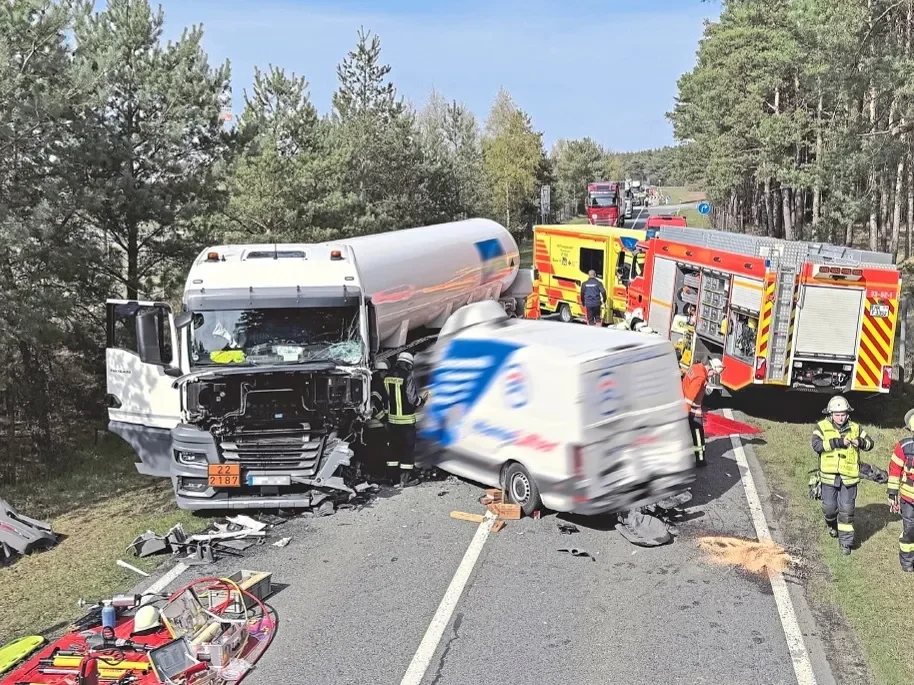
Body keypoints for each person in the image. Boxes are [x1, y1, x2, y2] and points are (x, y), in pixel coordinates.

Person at [811, 395, 874, 555]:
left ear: (848, 413)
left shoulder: (856, 428)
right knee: (829, 509)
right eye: (837, 414)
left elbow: (870, 443)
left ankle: (846, 543)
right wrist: (837, 442)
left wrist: (860, 442)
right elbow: (817, 445)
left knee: (846, 510)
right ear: (830, 414)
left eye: (843, 414)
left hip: (849, 478)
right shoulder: (821, 427)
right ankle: (831, 525)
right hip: (828, 478)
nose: (840, 418)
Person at [384, 352, 428, 488]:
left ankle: (392, 479)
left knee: (393, 450)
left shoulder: (387, 377)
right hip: (406, 421)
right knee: (407, 451)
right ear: (409, 365)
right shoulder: (408, 376)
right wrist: (423, 400)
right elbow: (412, 400)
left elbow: (387, 398)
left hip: (392, 421)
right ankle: (405, 480)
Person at [681, 357, 724, 468]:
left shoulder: (696, 367)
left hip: (685, 403)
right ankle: (700, 460)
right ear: (711, 368)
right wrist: (684, 415)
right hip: (693, 411)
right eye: (713, 373)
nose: (712, 376)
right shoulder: (700, 378)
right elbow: (690, 398)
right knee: (698, 436)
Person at [887, 408, 914, 572]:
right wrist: (892, 494)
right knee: (910, 529)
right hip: (908, 499)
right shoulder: (904, 447)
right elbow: (895, 471)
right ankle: (907, 561)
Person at [364, 360, 393, 482]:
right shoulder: (377, 385)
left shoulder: (370, 384)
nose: (385, 374)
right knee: (379, 450)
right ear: (380, 371)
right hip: (377, 424)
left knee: (374, 450)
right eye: (384, 372)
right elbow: (375, 404)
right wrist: (385, 420)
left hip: (371, 424)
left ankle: (375, 474)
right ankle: (379, 475)